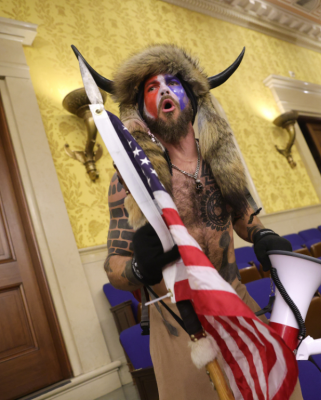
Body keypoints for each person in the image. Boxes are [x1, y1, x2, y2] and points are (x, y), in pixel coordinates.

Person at [82, 44, 303, 399]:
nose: (164, 90)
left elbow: (245, 217)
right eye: (151, 88)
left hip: (236, 302)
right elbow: (114, 265)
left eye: (173, 83)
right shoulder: (131, 179)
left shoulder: (220, 162)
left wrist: (263, 235)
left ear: (192, 98)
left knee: (278, 389)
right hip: (177, 325)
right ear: (141, 109)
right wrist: (140, 267)